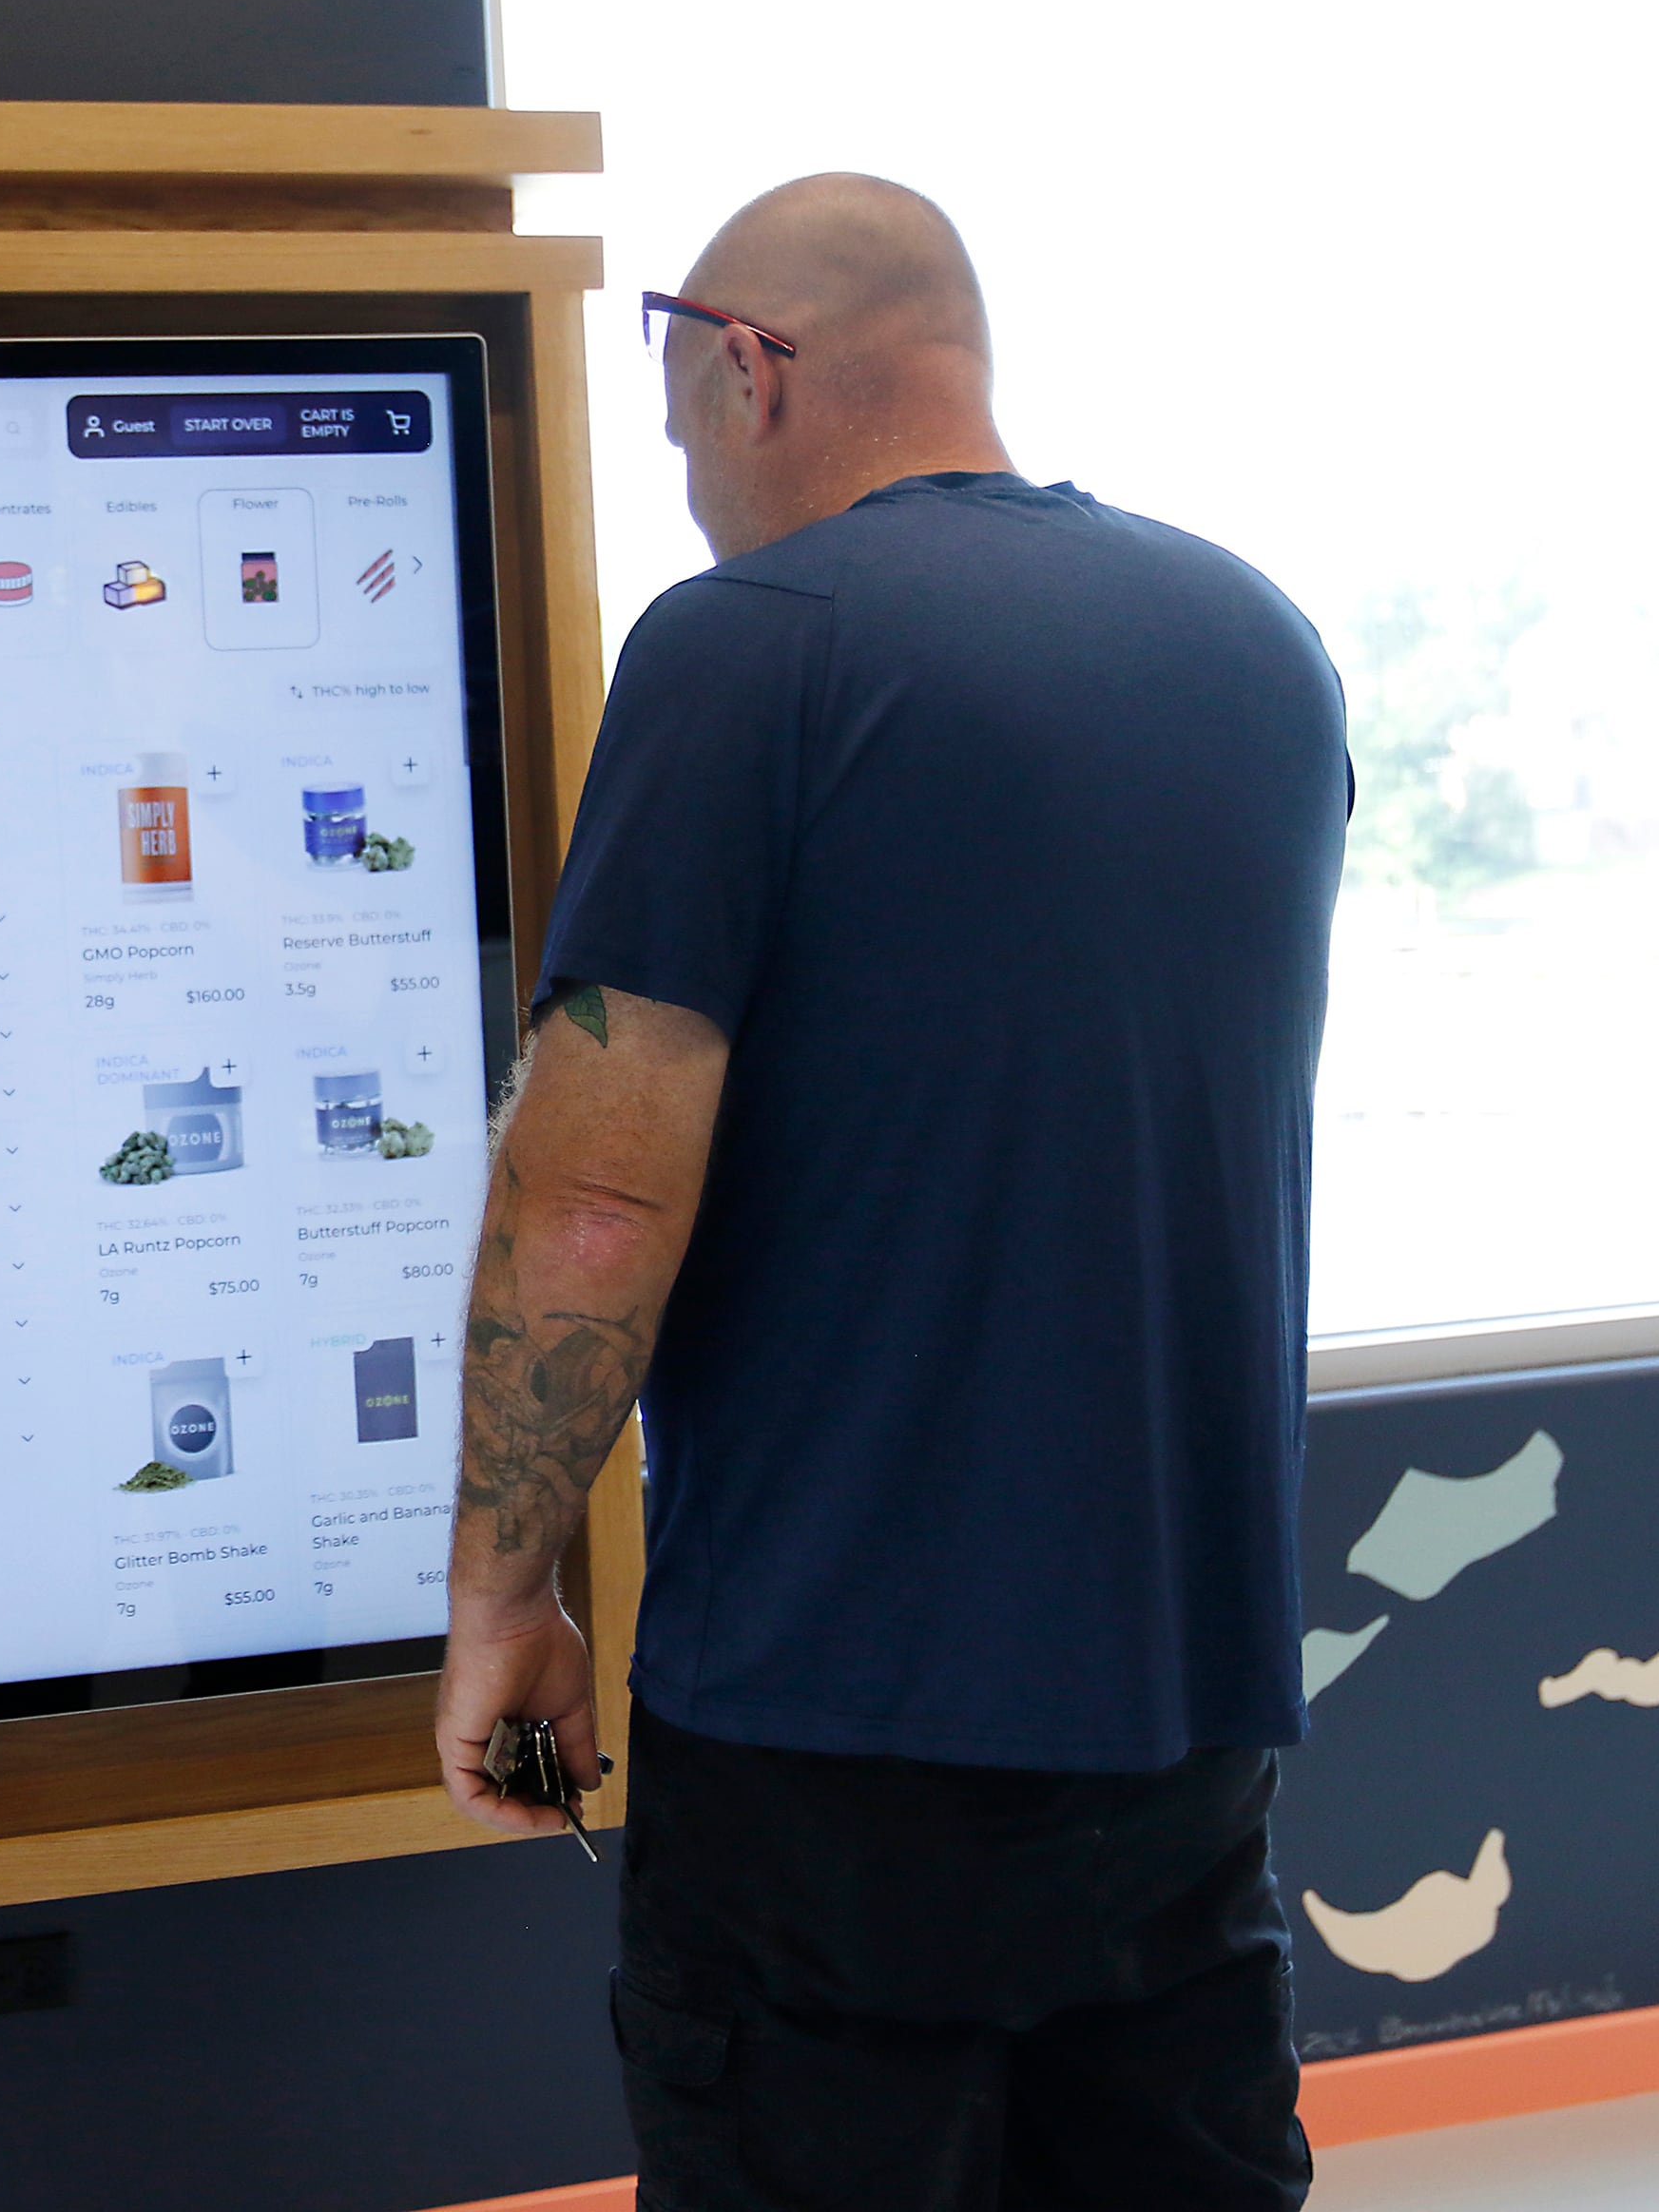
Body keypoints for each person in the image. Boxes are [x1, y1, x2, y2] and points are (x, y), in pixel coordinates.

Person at [435, 174, 1344, 2208]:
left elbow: (595, 1196)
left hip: (834, 1739)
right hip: (1184, 1723)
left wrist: (507, 1597)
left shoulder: (746, 652)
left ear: (752, 370)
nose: (695, 508)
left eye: (683, 448)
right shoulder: (1260, 649)